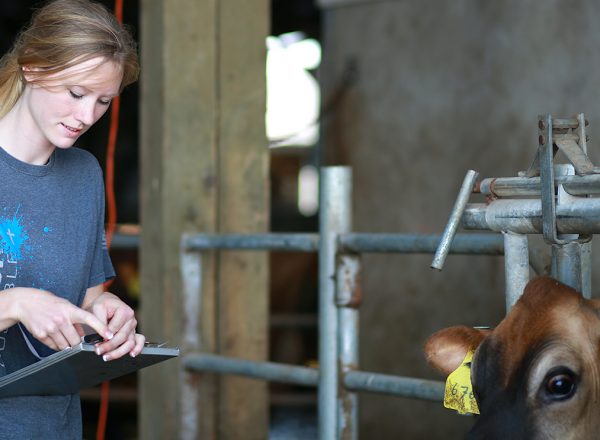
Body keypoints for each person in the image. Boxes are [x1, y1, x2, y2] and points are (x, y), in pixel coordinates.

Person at [0, 0, 145, 437]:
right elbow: (29, 304)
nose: (87, 117)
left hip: (52, 424)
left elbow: (84, 299)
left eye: (103, 101)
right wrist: (16, 303)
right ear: (33, 69)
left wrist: (106, 313)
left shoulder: (84, 175)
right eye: (76, 94)